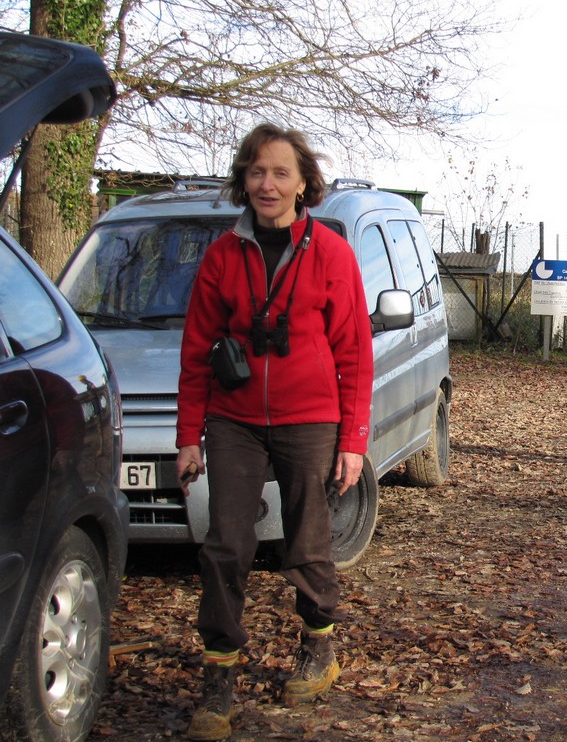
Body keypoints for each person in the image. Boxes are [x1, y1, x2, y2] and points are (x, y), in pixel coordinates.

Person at [175, 123, 373, 741]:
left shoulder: (331, 253)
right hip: (233, 419)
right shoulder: (222, 255)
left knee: (307, 542)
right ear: (245, 179)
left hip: (309, 417)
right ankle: (219, 680)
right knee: (225, 547)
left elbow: (354, 351)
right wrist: (188, 436)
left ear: (303, 184)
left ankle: (318, 649)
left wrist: (353, 440)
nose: (268, 184)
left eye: (281, 173)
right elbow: (196, 350)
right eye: (257, 171)